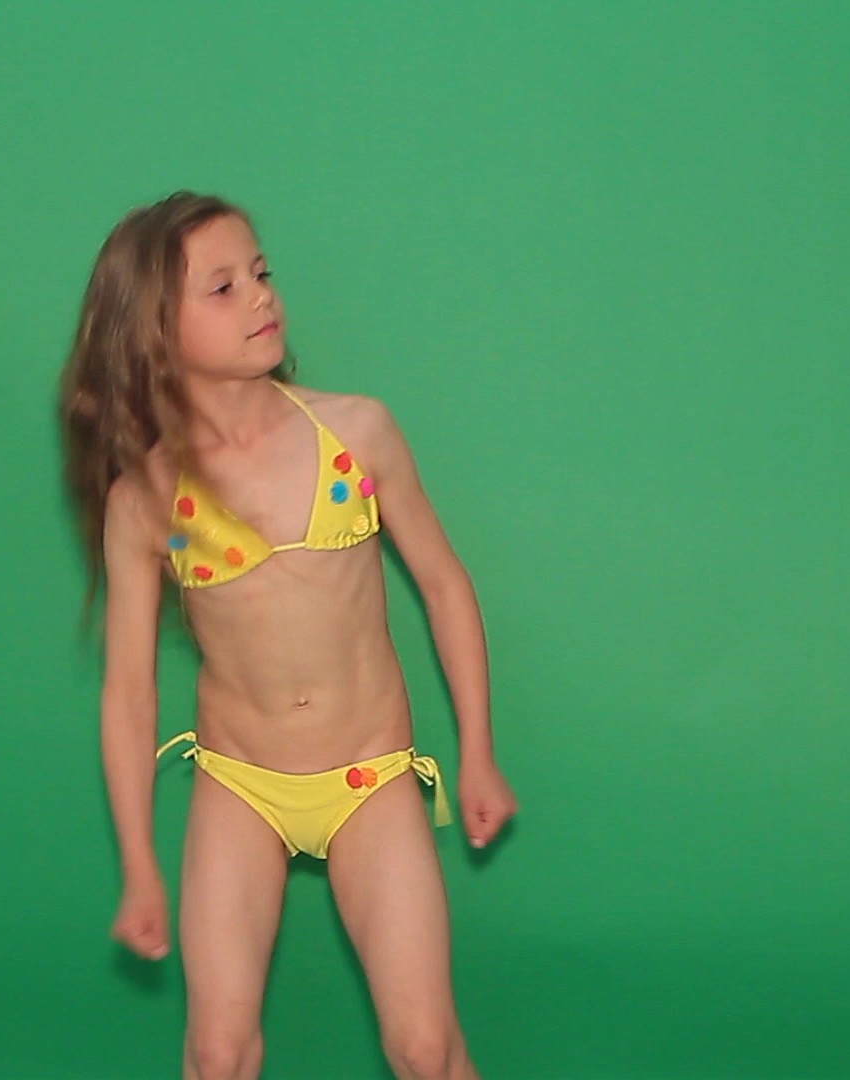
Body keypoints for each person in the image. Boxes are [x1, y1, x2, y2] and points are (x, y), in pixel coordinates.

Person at [59, 191, 519, 1080]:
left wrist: (478, 753)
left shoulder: (355, 432)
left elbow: (442, 583)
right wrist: (139, 866)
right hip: (240, 786)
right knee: (217, 1052)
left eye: (260, 272)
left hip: (369, 777)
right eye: (222, 287)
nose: (260, 295)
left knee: (425, 1048)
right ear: (154, 331)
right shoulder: (145, 499)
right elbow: (128, 693)